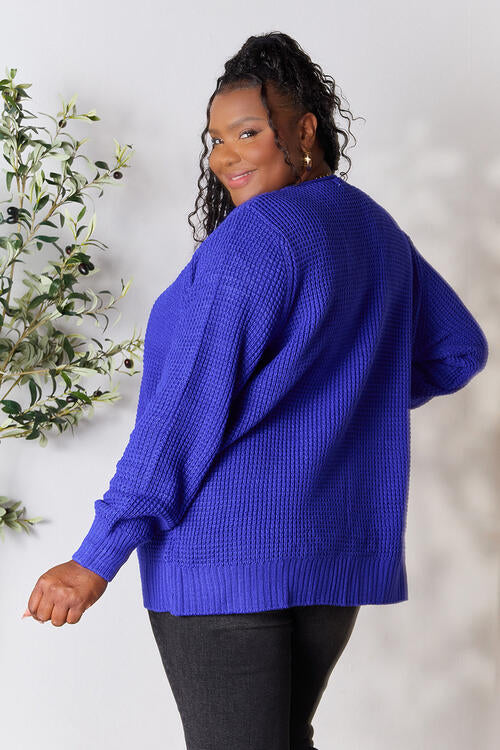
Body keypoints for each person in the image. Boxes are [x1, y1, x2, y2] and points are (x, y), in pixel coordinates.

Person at [23, 31, 488, 750]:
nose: (225, 156)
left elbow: (182, 419)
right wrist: (339, 399)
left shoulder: (254, 240)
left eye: (247, 132)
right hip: (329, 560)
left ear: (304, 130)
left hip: (226, 555)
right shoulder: (373, 228)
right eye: (216, 139)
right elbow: (457, 351)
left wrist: (93, 560)